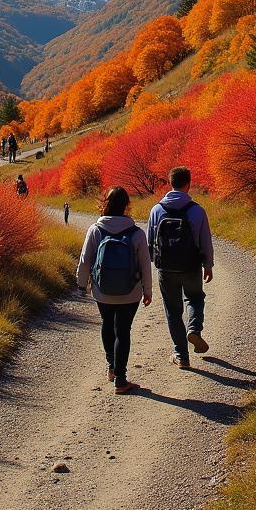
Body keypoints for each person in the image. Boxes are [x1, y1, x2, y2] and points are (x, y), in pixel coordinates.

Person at [76, 186, 152, 394]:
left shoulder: (95, 230)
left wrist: (81, 284)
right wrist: (148, 290)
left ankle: (111, 366)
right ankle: (120, 378)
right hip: (131, 291)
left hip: (102, 290)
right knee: (123, 330)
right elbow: (145, 264)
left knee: (108, 324)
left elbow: (85, 261)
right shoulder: (136, 233)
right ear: (127, 205)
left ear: (105, 204)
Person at [148, 166, 214, 369]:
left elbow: (150, 241)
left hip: (166, 268)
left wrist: (154, 263)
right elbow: (205, 241)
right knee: (194, 298)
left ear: (170, 183)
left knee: (172, 310)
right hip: (191, 266)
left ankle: (181, 355)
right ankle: (194, 328)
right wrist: (208, 265)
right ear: (189, 183)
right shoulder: (197, 210)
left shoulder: (157, 210)